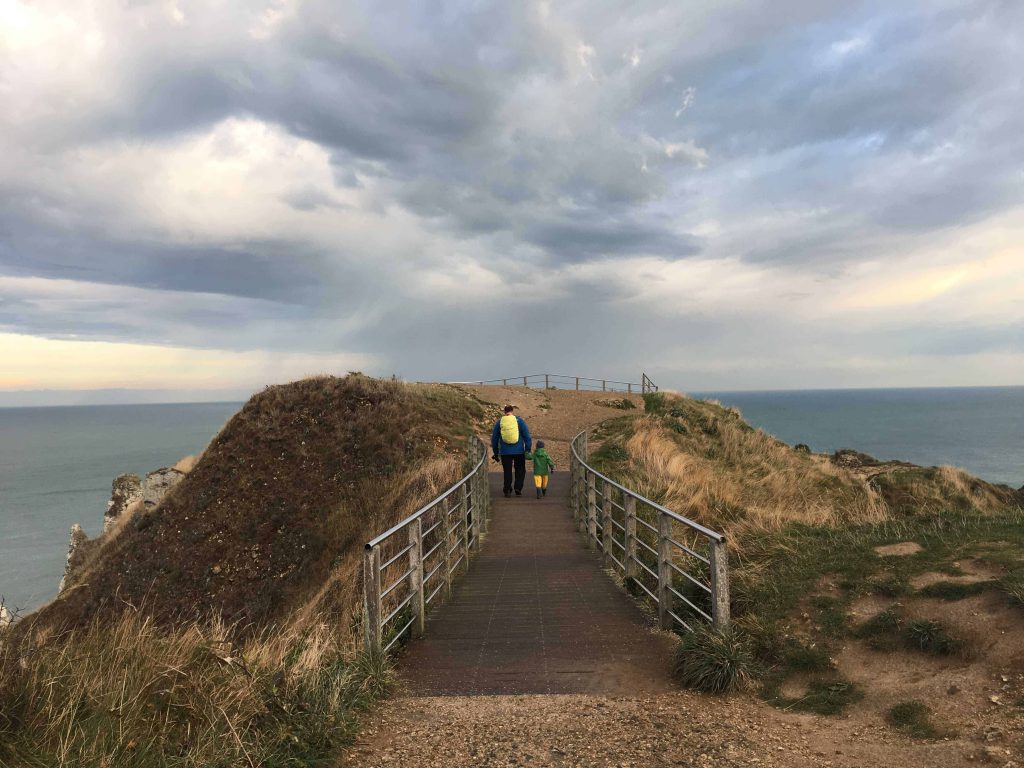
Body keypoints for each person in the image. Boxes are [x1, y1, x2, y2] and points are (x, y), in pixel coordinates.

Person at [491, 405, 532, 497]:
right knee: (520, 470)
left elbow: (494, 438)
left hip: (505, 452)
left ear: (504, 412)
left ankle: (507, 490)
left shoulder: (500, 422)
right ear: (512, 411)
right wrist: (528, 449)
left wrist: (496, 452)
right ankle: (518, 487)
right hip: (519, 451)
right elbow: (527, 436)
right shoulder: (519, 421)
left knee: (507, 471)